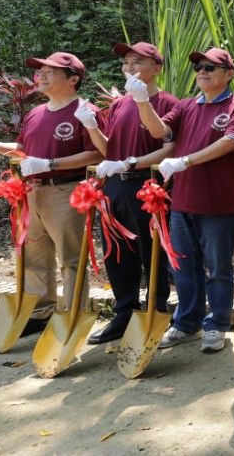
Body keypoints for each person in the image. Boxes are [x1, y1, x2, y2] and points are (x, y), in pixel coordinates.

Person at [0, 52, 103, 335]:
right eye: (41, 71)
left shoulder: (85, 111)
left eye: (51, 72)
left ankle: (72, 314)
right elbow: (24, 149)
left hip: (67, 191)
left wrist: (51, 164)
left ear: (73, 79)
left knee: (71, 258)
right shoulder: (35, 113)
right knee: (34, 256)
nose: (41, 75)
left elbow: (98, 154)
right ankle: (40, 313)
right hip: (31, 192)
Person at [132, 47, 234, 354]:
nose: (202, 71)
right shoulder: (185, 106)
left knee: (219, 268)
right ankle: (187, 322)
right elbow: (159, 131)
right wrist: (142, 101)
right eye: (198, 67)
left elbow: (230, 143)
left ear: (229, 74)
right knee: (182, 266)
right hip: (182, 202)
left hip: (218, 202)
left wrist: (186, 161)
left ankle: (217, 323)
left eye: (211, 67)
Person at [75, 42, 177, 345]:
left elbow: (165, 141)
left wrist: (133, 161)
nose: (129, 68)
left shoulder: (170, 103)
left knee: (151, 248)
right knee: (116, 249)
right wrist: (92, 127)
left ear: (156, 68)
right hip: (116, 184)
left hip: (148, 185)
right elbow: (110, 150)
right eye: (126, 63)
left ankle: (157, 308)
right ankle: (124, 310)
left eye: (138, 63)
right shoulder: (119, 105)